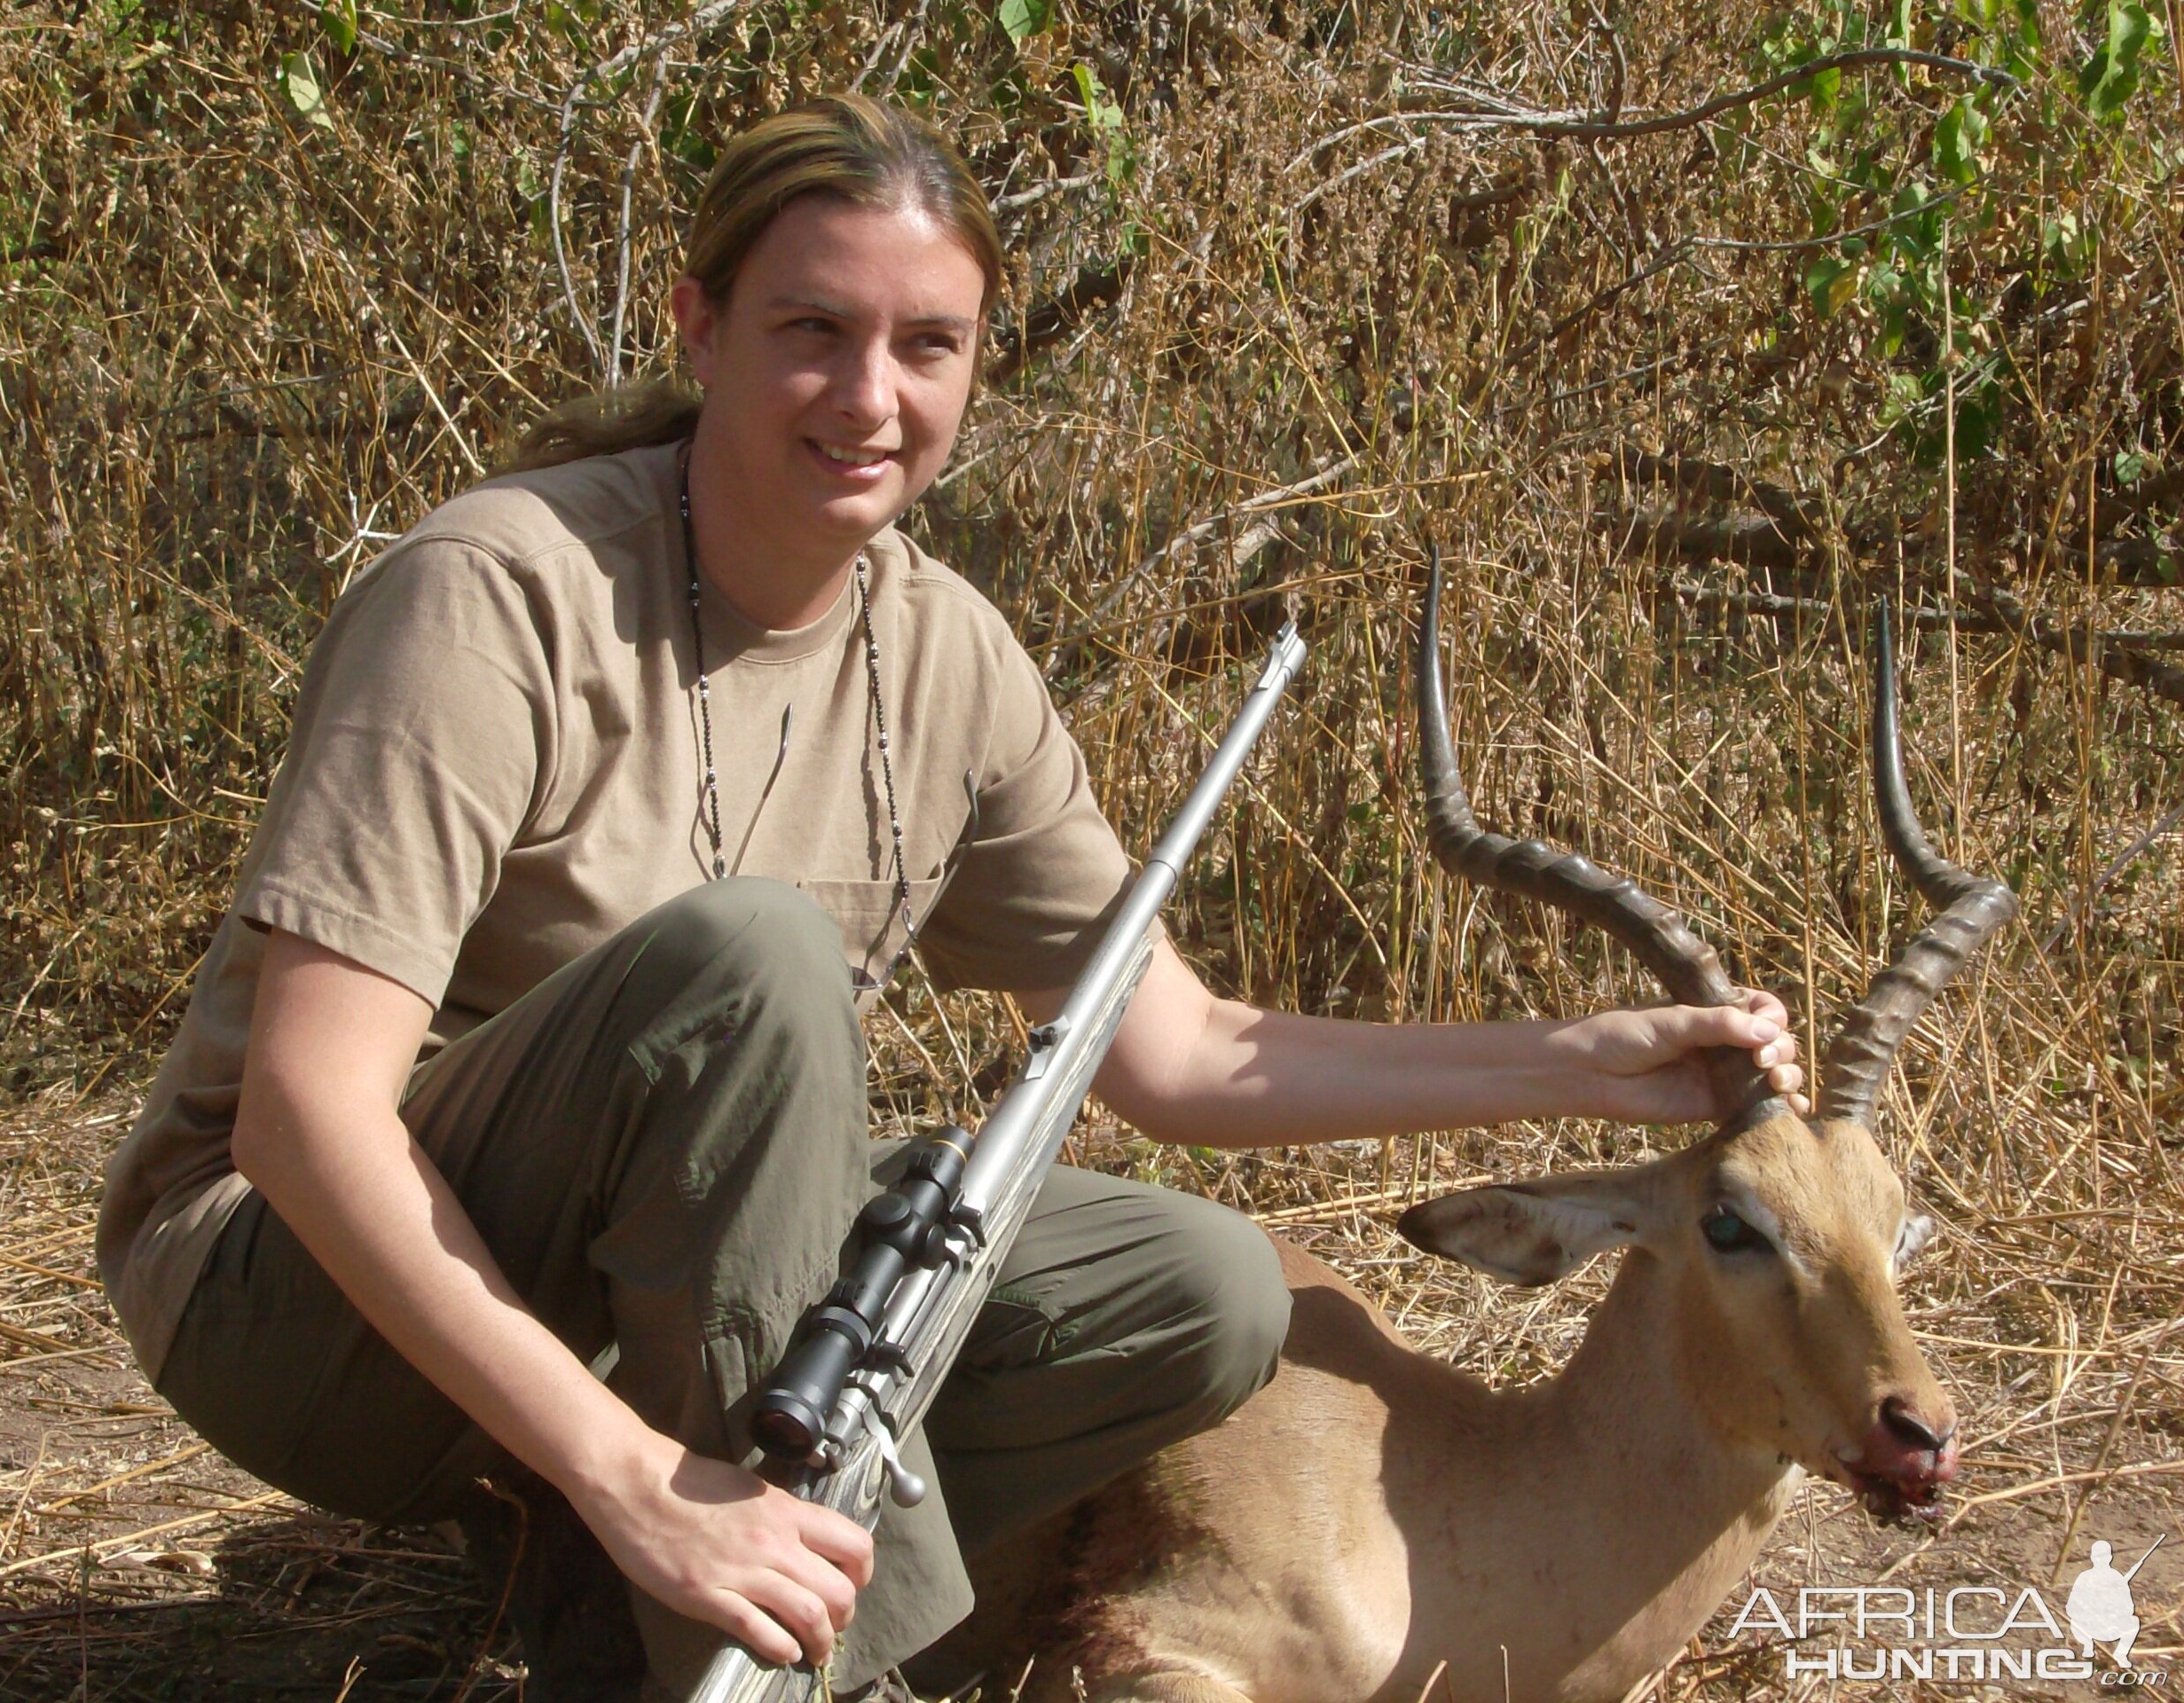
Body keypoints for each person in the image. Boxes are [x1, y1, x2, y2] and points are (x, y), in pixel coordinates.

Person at [95, 94, 1805, 1701]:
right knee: (755, 959)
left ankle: (638, 1621)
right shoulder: (499, 592)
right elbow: (302, 1118)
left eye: (929, 346)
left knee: (1205, 1292)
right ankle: (787, 1648)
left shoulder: (944, 657)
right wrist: (640, 1474)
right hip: (292, 1302)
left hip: (603, 1314)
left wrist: (1588, 1061)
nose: (869, 398)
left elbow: (1191, 1058)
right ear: (699, 329)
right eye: (811, 332)